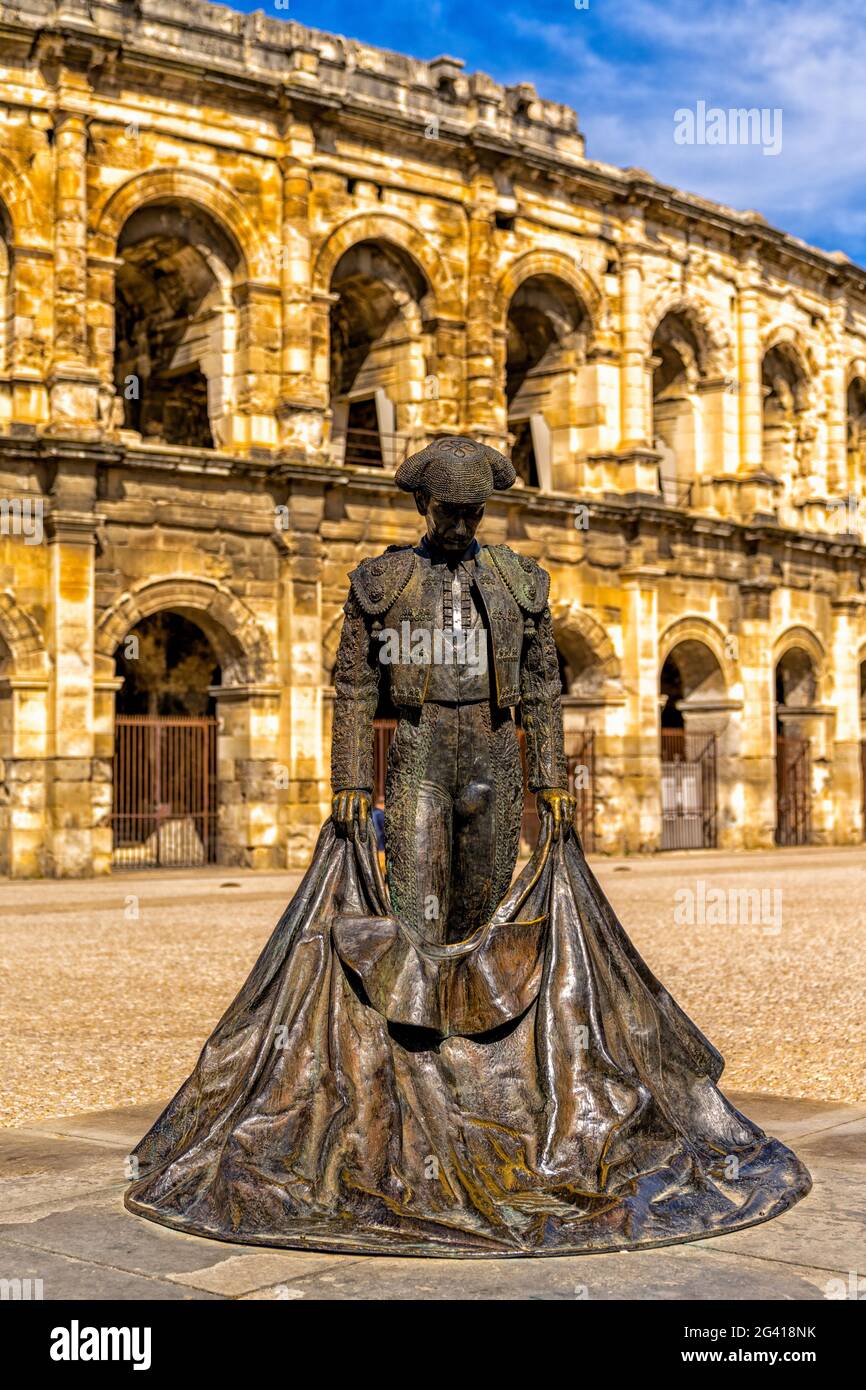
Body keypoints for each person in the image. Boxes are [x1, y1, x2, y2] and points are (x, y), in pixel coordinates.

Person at [330, 436, 575, 944]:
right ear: (423, 504)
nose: (460, 526)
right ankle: (418, 1019)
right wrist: (351, 779)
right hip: (422, 748)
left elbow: (542, 682)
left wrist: (549, 777)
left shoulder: (519, 579)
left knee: (479, 909)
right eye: (448, 513)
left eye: (473, 514)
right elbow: (355, 684)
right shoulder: (383, 580)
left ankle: (472, 1017)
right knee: (418, 904)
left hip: (496, 748)